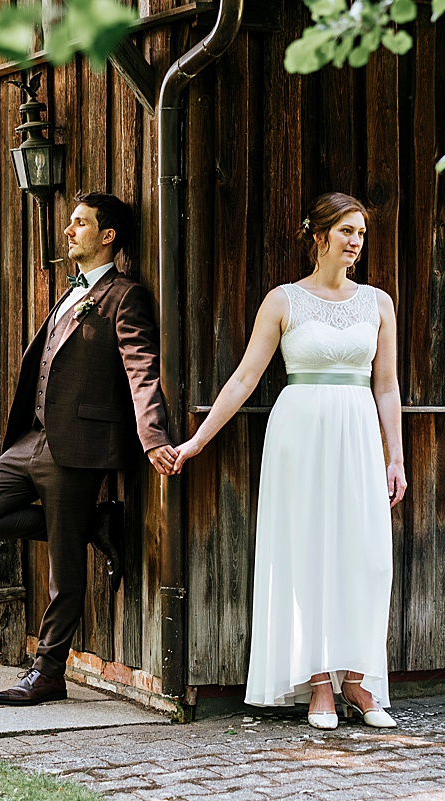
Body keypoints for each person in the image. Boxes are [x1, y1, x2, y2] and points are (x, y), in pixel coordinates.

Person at [172, 192, 406, 730]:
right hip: (300, 433)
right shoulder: (283, 301)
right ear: (319, 236)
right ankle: (319, 683)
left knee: (365, 558)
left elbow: (387, 386)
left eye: (361, 234)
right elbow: (245, 378)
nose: (355, 243)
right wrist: (197, 442)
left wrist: (395, 458)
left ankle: (358, 680)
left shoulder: (378, 303)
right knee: (308, 553)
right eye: (346, 231)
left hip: (358, 436)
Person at [0, 191, 178, 706]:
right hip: (31, 440)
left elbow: (141, 368)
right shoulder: (70, 292)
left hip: (77, 449)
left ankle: (48, 673)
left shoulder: (126, 296)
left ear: (108, 236)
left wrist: (153, 437)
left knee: (64, 571)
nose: (68, 230)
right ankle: (94, 526)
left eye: (80, 223)